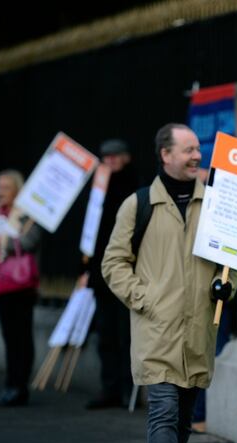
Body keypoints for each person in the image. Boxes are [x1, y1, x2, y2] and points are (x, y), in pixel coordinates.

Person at [102, 123, 237, 443]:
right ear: (166, 154)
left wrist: (227, 285)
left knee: (182, 420)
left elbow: (232, 262)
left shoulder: (215, 204)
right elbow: (113, 263)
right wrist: (145, 298)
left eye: (197, 150)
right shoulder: (138, 205)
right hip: (157, 332)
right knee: (163, 412)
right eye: (189, 150)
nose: (197, 156)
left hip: (197, 333)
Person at [0, 169, 44, 407]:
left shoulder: (27, 214)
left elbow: (30, 241)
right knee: (9, 337)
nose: (0, 192)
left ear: (17, 190)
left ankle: (19, 386)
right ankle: (10, 385)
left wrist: (0, 241)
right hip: (2, 285)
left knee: (20, 337)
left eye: (5, 187)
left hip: (21, 285)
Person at [84, 139, 139, 409]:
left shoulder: (130, 186)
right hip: (99, 271)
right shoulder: (98, 188)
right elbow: (89, 229)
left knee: (125, 333)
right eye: (106, 158)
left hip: (125, 270)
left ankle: (129, 388)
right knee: (105, 333)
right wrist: (85, 266)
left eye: (115, 157)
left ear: (125, 158)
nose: (110, 162)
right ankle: (111, 387)